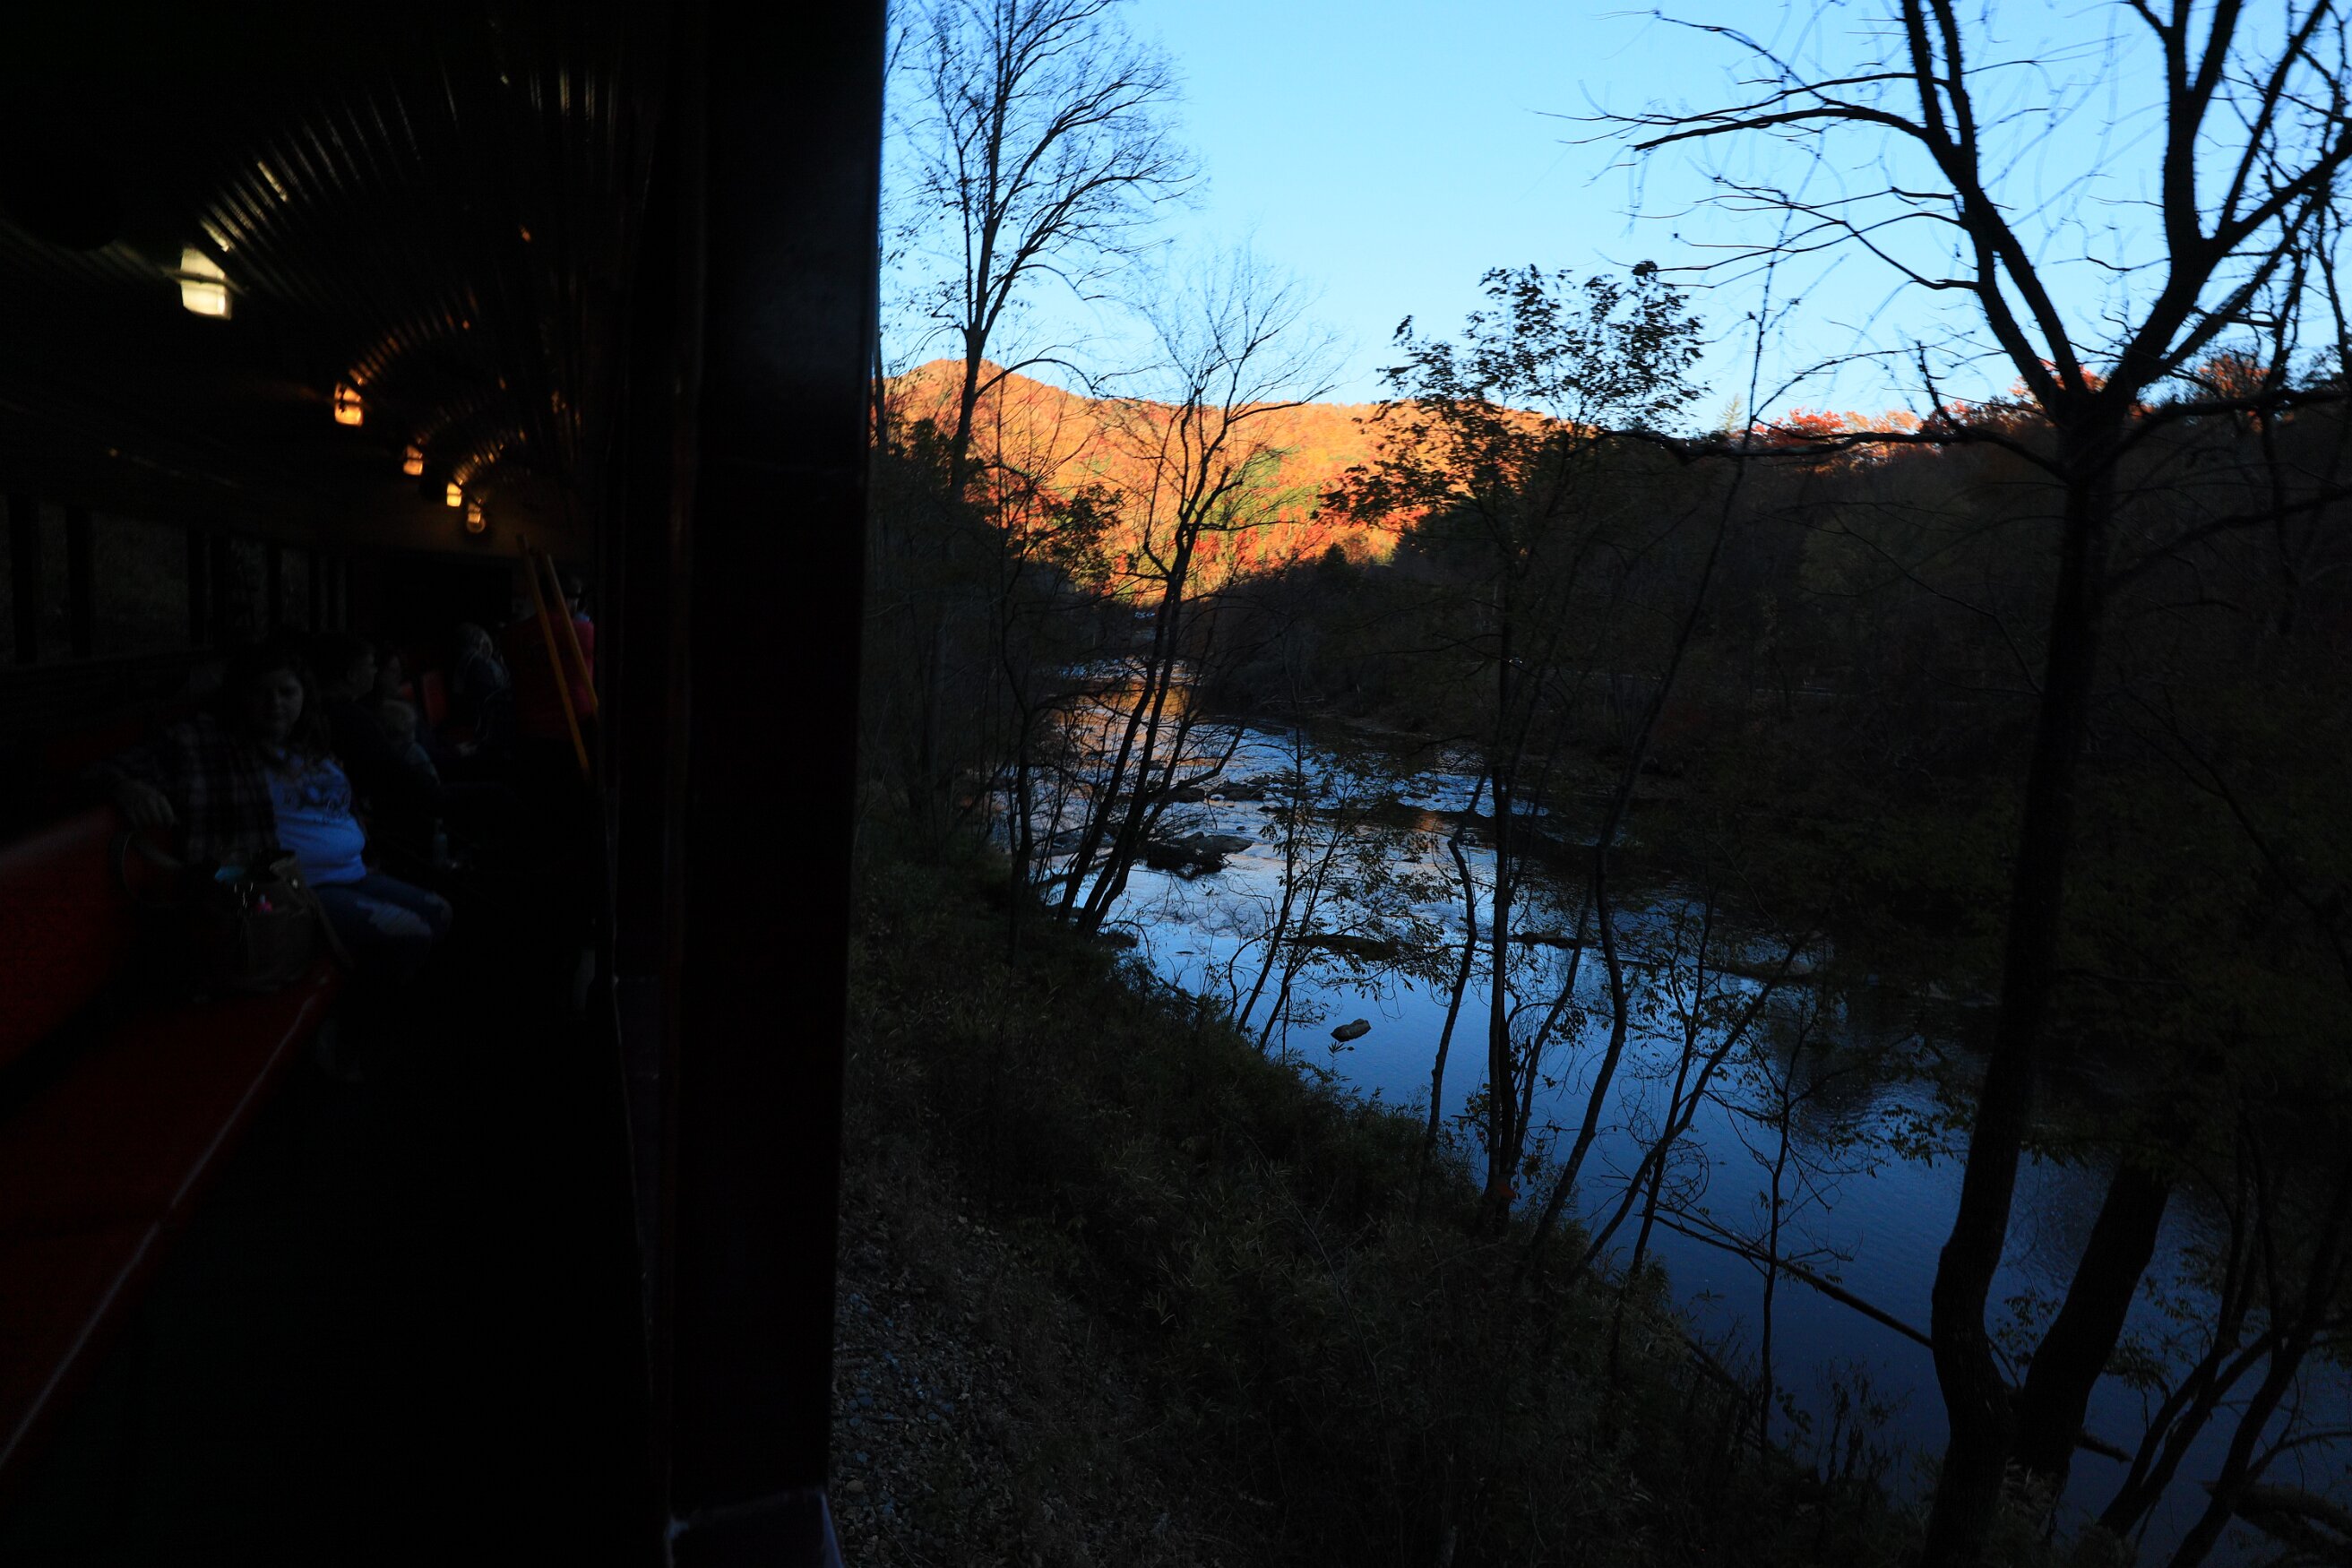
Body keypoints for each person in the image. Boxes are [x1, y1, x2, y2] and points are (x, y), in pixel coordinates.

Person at [99, 641, 452, 979]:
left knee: (441, 912)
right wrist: (126, 787)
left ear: (303, 695)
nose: (275, 704)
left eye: (287, 692)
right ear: (240, 698)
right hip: (286, 893)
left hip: (355, 871)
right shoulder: (207, 746)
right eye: (261, 693)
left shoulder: (309, 741)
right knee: (412, 932)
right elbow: (97, 773)